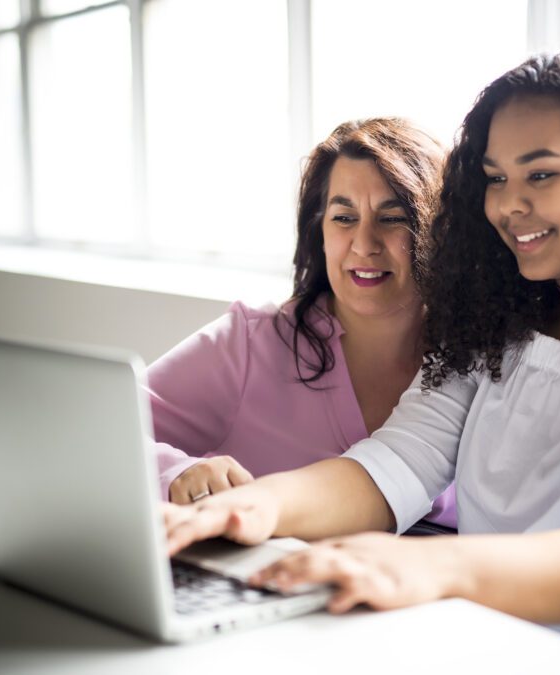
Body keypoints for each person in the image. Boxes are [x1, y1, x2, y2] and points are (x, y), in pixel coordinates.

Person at [161, 53, 560, 674]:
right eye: (495, 178)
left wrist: (433, 569)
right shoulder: (499, 332)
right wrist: (250, 509)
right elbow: (393, 464)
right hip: (484, 644)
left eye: (540, 174)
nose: (507, 205)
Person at [146, 117, 455, 529]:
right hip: (270, 583)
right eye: (344, 218)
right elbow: (96, 429)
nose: (364, 244)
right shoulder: (250, 343)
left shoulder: (478, 365)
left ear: (439, 229)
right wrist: (174, 472)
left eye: (392, 218)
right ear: (319, 232)